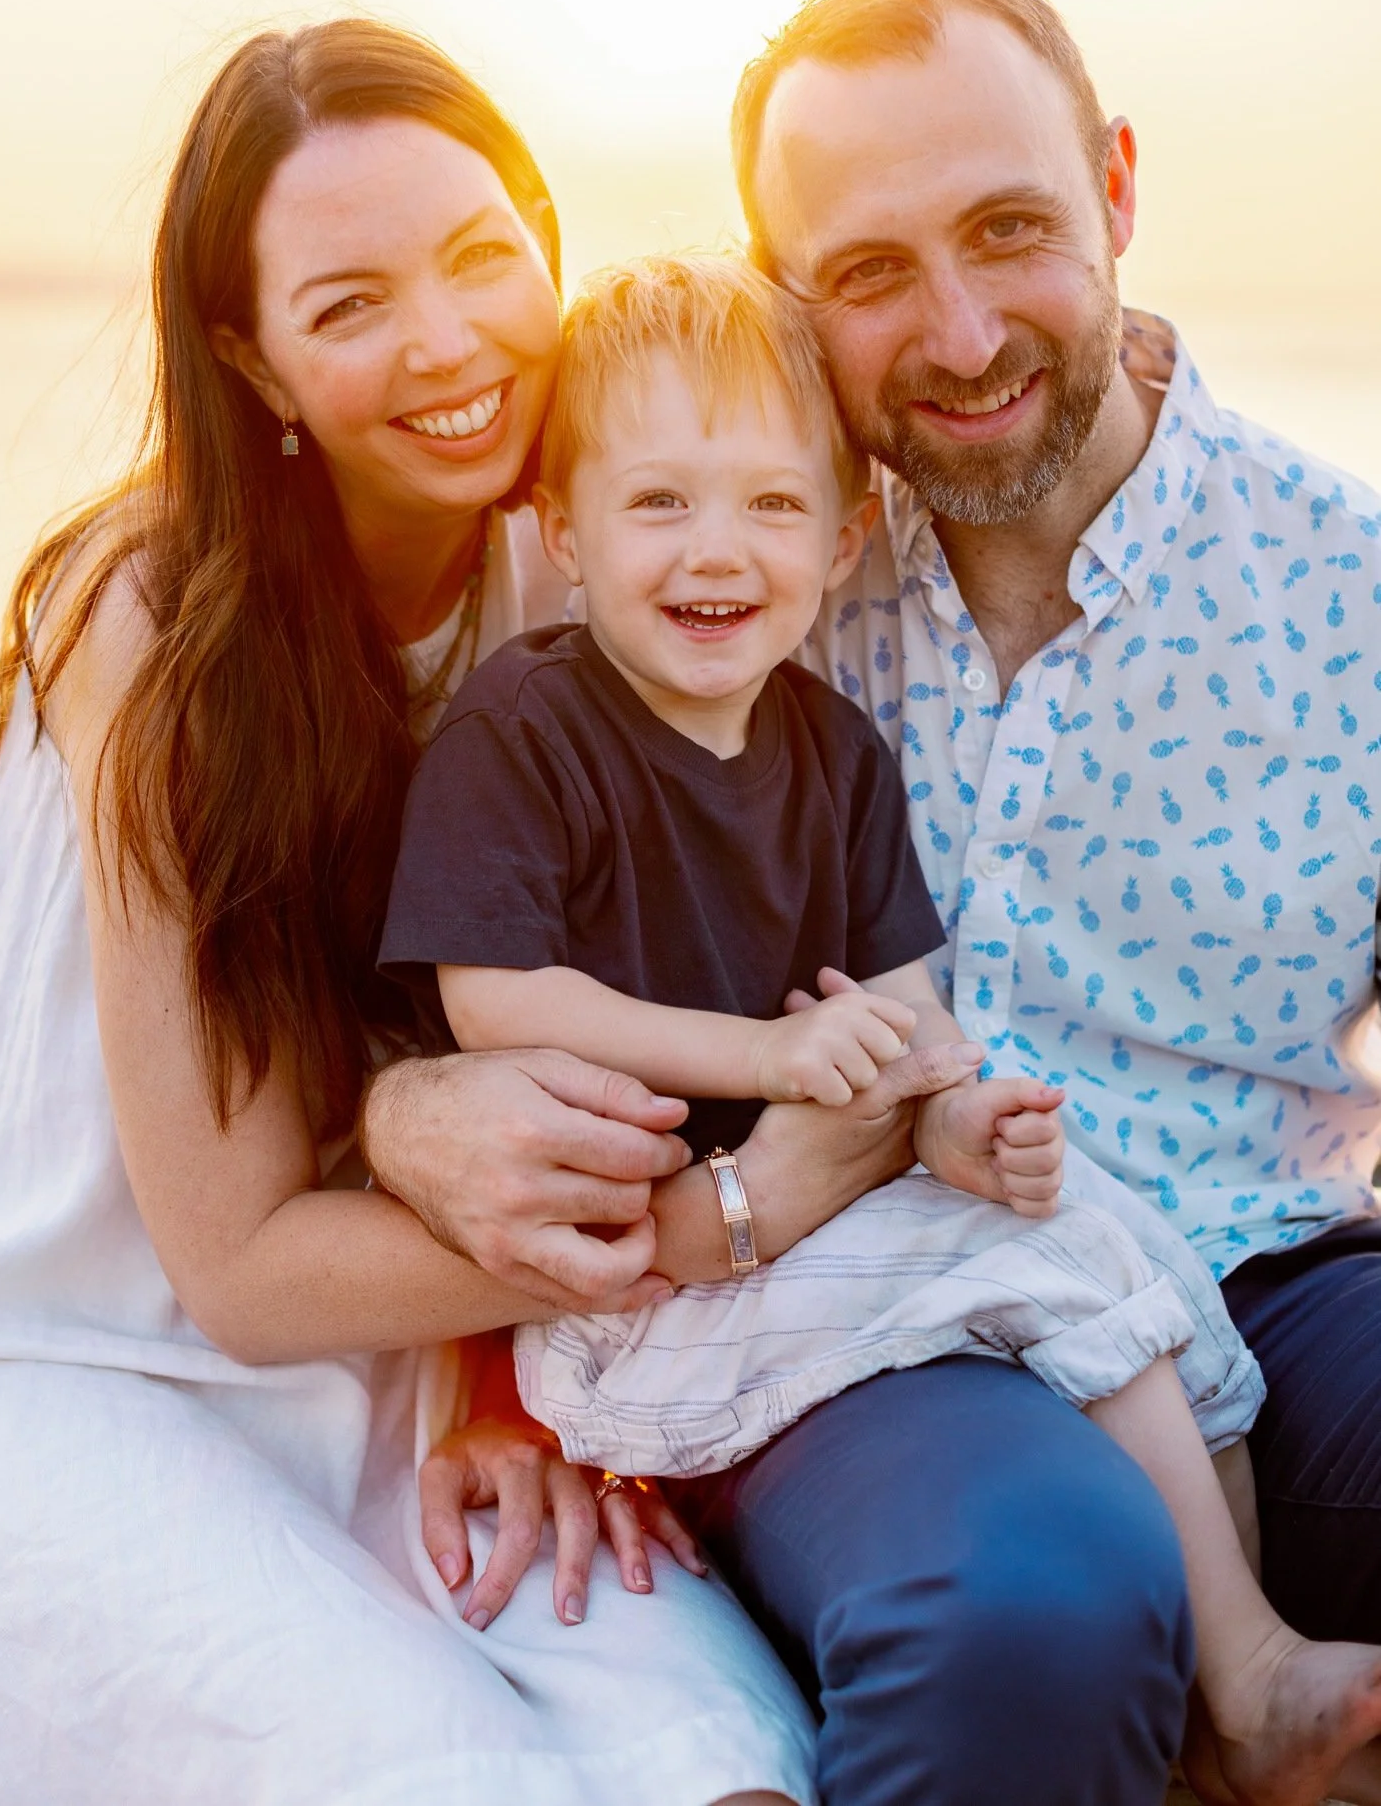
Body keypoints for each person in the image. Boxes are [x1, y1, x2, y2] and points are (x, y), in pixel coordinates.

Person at [0, 20, 831, 1806]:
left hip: (409, 1352)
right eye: (351, 305)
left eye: (482, 256)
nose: (448, 342)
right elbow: (238, 1272)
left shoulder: (583, 552)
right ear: (252, 358)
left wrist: (502, 1386)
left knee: (721, 1759)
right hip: (79, 1358)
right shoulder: (151, 618)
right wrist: (720, 1220)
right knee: (449, 1776)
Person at [381, 248, 1381, 1806]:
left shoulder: (832, 750)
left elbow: (910, 1014)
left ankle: (1230, 1675)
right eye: (659, 503)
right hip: (631, 1315)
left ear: (845, 536)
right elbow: (495, 1003)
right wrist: (767, 1062)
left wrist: (956, 1119)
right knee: (1054, 1276)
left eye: (773, 505)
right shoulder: (526, 727)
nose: (717, 549)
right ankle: (1240, 1681)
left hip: (810, 1256)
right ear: (561, 529)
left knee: (1094, 1239)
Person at [637, 0, 1381, 1805]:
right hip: (863, 1325)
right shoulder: (725, 589)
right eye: (871, 272)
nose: (962, 335)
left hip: (1269, 1281)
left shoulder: (1352, 591)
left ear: (1116, 188)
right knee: (1031, 1613)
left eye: (1010, 229)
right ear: (783, 296)